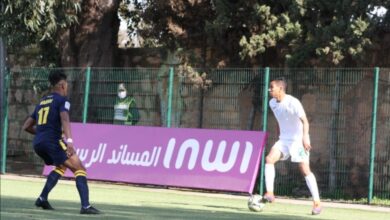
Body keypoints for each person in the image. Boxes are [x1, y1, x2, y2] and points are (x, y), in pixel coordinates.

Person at [22, 70, 101, 214]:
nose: (67, 87)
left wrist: (41, 134)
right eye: (67, 85)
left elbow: (26, 126)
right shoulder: (62, 101)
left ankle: (42, 198)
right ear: (63, 85)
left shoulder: (42, 102)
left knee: (61, 166)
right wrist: (69, 142)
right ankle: (85, 206)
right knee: (80, 169)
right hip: (53, 142)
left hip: (38, 144)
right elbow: (65, 119)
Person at [263, 77, 321, 215]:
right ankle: (270, 193)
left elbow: (305, 121)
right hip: (284, 140)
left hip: (298, 141)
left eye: (272, 87)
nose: (269, 90)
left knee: (304, 169)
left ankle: (317, 203)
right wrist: (279, 136)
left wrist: (305, 138)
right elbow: (280, 119)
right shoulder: (272, 103)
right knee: (269, 159)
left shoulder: (293, 102)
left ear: (281, 89)